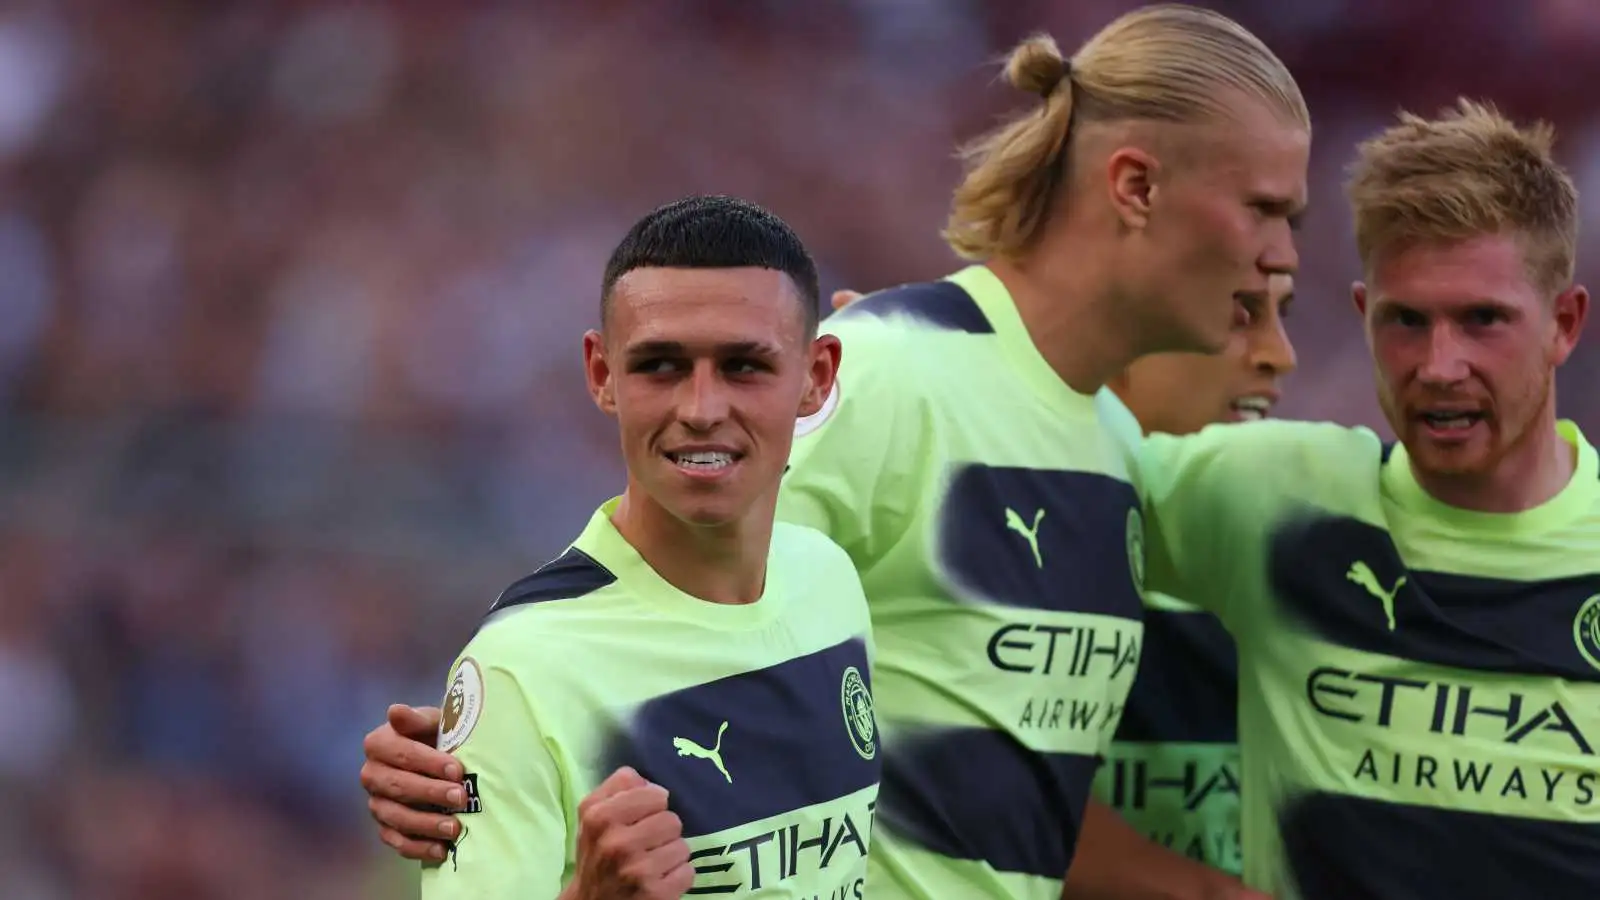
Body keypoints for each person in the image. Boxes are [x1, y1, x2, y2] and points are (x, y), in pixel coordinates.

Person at [362, 5, 1308, 899]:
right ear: (1136, 186)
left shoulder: (1107, 437)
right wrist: (469, 747)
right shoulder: (894, 372)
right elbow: (655, 613)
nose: (1280, 257)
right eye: (1267, 211)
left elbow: (1005, 796)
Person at [1136, 99, 1596, 897]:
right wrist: (913, 354)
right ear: (1362, 315)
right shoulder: (1271, 501)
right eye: (1405, 322)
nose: (1439, 365)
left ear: (1564, 323)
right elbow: (1033, 462)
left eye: (1483, 320)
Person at [409, 194, 879, 900]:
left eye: (744, 366)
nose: (700, 408)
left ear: (816, 378)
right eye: (660, 365)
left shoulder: (829, 580)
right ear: (602, 375)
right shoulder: (523, 669)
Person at [1087, 271, 1297, 878]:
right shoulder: (963, 563)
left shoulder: (1317, 570)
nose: (1280, 355)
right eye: (1241, 313)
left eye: (1282, 313)